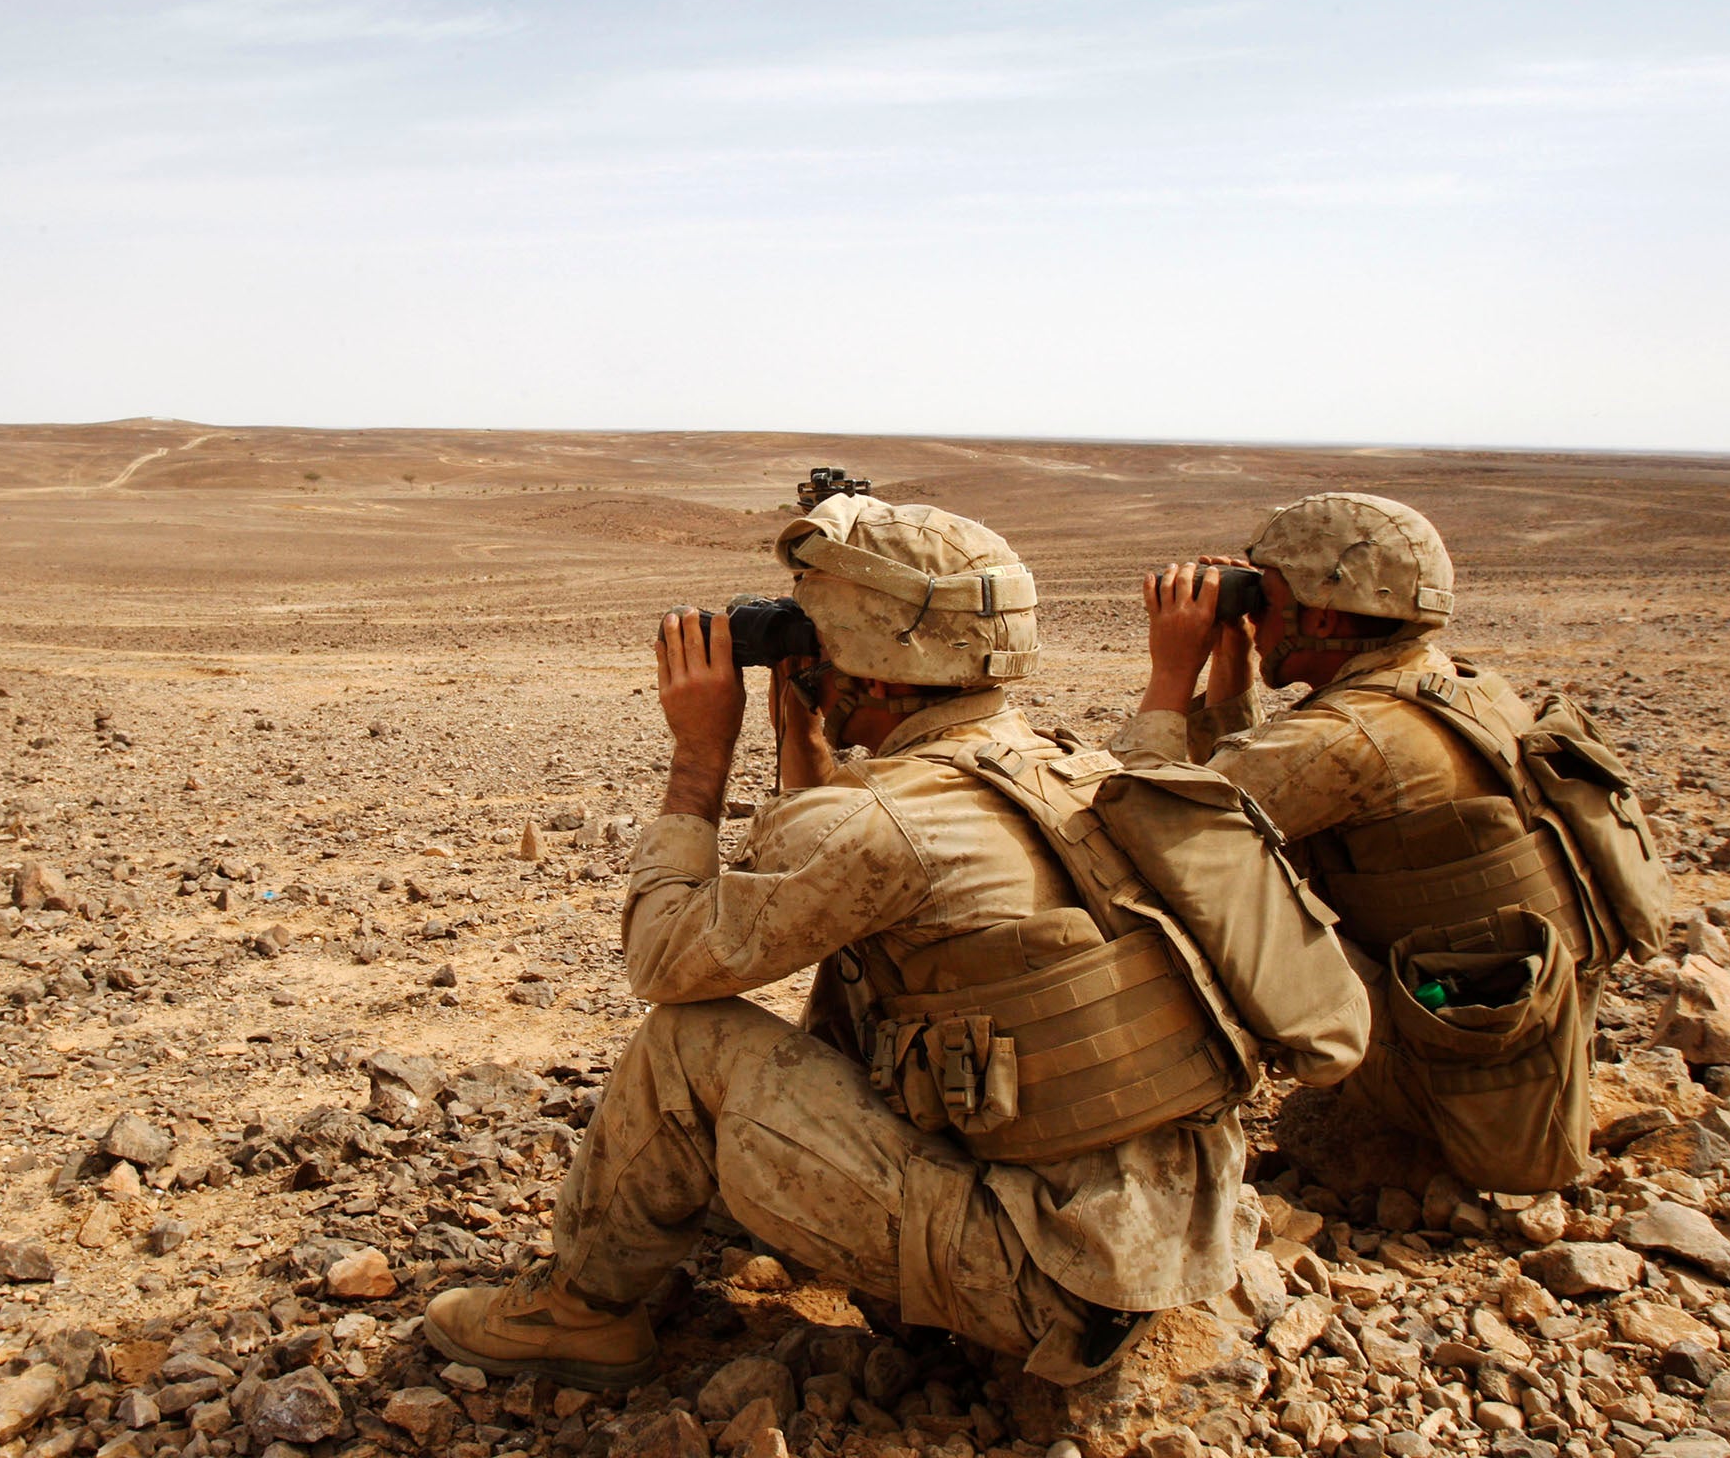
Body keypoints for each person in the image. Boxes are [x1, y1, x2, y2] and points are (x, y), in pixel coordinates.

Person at [424, 496, 1368, 1392]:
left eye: (819, 643)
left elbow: (664, 959)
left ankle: (579, 1313)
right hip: (1164, 1234)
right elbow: (835, 888)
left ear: (870, 671)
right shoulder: (1075, 768)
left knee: (689, 1044)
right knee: (868, 965)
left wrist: (700, 756)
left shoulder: (885, 825)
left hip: (1049, 1269)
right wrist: (813, 728)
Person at [1116, 491, 1617, 1191]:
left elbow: (1144, 826)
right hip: (1517, 1055)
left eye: (1269, 599)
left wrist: (1172, 671)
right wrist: (1232, 652)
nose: (1256, 613)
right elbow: (1245, 785)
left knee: (1170, 910)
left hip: (1458, 1091)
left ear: (1320, 615)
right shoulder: (1456, 688)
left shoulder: (1355, 738)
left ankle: (1143, 1156)